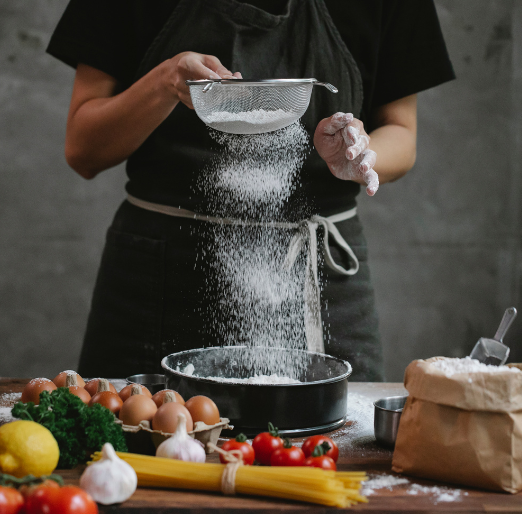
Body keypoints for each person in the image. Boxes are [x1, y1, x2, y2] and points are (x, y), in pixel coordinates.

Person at [47, 0, 455, 381]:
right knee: (137, 449)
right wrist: (165, 82)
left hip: (320, 273)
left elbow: (402, 133)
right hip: (160, 275)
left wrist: (358, 154)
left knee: (337, 448)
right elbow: (83, 149)